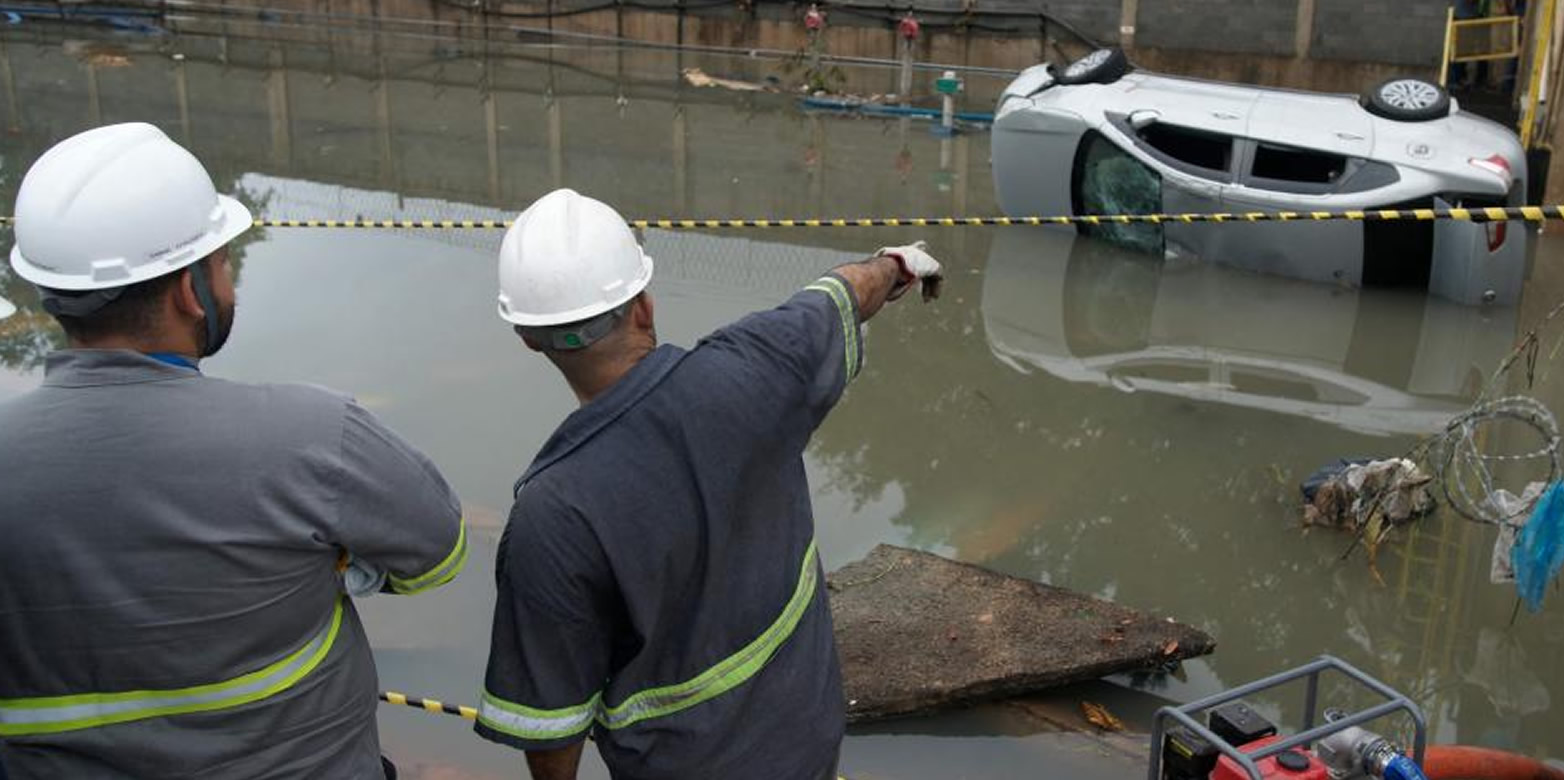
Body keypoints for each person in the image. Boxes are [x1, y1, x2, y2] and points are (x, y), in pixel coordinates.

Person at [0, 123, 468, 778]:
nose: (228, 279)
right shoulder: (314, 437)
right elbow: (439, 556)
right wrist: (334, 563)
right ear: (191, 291)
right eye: (222, 260)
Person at [474, 189, 942, 780]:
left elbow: (549, 727)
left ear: (528, 336)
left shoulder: (552, 516)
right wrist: (896, 264)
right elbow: (843, 293)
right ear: (643, 305)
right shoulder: (758, 367)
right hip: (809, 744)